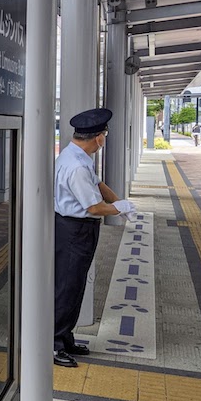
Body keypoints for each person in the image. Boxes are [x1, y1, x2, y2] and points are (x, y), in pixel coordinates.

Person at [53, 107, 136, 368]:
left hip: (78, 230)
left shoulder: (77, 156)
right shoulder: (76, 166)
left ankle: (65, 338)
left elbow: (99, 186)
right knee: (67, 287)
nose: (104, 140)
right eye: (104, 136)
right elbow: (94, 207)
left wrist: (119, 201)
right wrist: (122, 208)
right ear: (98, 138)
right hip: (74, 230)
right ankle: (54, 345)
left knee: (75, 286)